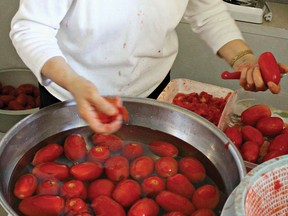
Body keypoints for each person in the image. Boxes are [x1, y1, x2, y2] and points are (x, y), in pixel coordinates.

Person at [10, 0, 288, 134]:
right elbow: (31, 29)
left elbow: (207, 10)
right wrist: (74, 83)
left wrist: (243, 58)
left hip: (153, 89)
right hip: (72, 92)